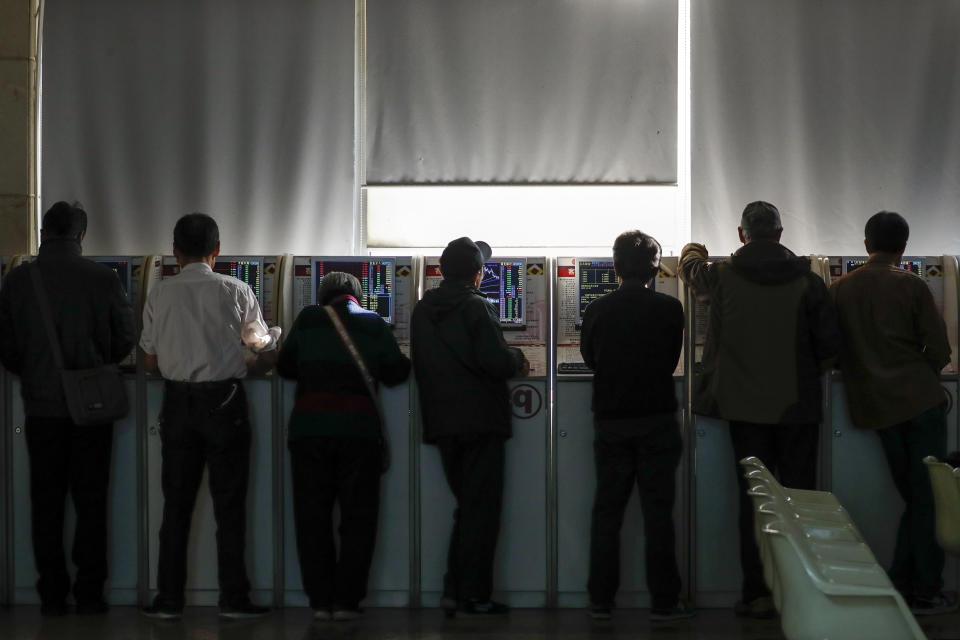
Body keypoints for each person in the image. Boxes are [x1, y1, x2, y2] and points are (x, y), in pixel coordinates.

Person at [678, 201, 840, 618]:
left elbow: (693, 271)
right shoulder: (808, 280)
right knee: (801, 502)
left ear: (741, 234)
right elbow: (829, 348)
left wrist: (693, 247)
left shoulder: (721, 275)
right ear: (781, 234)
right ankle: (803, 591)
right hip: (798, 410)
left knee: (755, 502)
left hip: (742, 408)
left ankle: (756, 593)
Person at [139, 213, 281, 620]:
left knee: (176, 505)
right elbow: (259, 347)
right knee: (230, 506)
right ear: (217, 251)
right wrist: (263, 350)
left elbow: (149, 360)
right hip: (225, 405)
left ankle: (169, 600)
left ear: (174, 252)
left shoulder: (159, 294)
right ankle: (234, 599)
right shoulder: (236, 290)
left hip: (178, 405)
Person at [0, 201, 136, 616]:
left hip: (41, 409)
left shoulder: (18, 280)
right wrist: (96, 364)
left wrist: (36, 373)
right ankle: (91, 593)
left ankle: (52, 595)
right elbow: (125, 337)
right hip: (92, 406)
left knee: (46, 503)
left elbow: (6, 346)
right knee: (92, 500)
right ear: (81, 236)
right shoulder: (103, 278)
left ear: (44, 232)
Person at [829, 211, 955, 615]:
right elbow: (939, 349)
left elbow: (832, 350)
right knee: (929, 498)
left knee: (917, 498)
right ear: (904, 247)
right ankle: (925, 590)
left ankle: (903, 584)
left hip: (876, 408)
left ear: (866, 245)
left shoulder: (839, 289)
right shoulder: (912, 285)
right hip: (919, 402)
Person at [277, 271, 410, 621]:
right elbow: (397, 373)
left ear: (322, 296)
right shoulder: (374, 322)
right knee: (358, 519)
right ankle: (348, 602)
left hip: (309, 433)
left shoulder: (307, 319)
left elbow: (285, 365)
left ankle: (320, 601)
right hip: (358, 434)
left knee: (312, 518)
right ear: (357, 296)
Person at [410, 237, 529, 616]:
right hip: (480, 422)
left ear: (442, 271)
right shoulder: (477, 307)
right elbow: (494, 360)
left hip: (442, 423)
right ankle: (473, 596)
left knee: (467, 508)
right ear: (478, 275)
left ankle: (454, 591)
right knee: (481, 512)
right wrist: (518, 359)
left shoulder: (422, 309)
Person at [580, 230, 692, 622]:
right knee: (658, 513)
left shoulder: (596, 310)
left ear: (615, 267)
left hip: (611, 420)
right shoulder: (670, 309)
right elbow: (669, 359)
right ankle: (664, 601)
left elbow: (591, 359)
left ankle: (600, 601)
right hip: (657, 419)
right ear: (654, 269)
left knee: (607, 512)